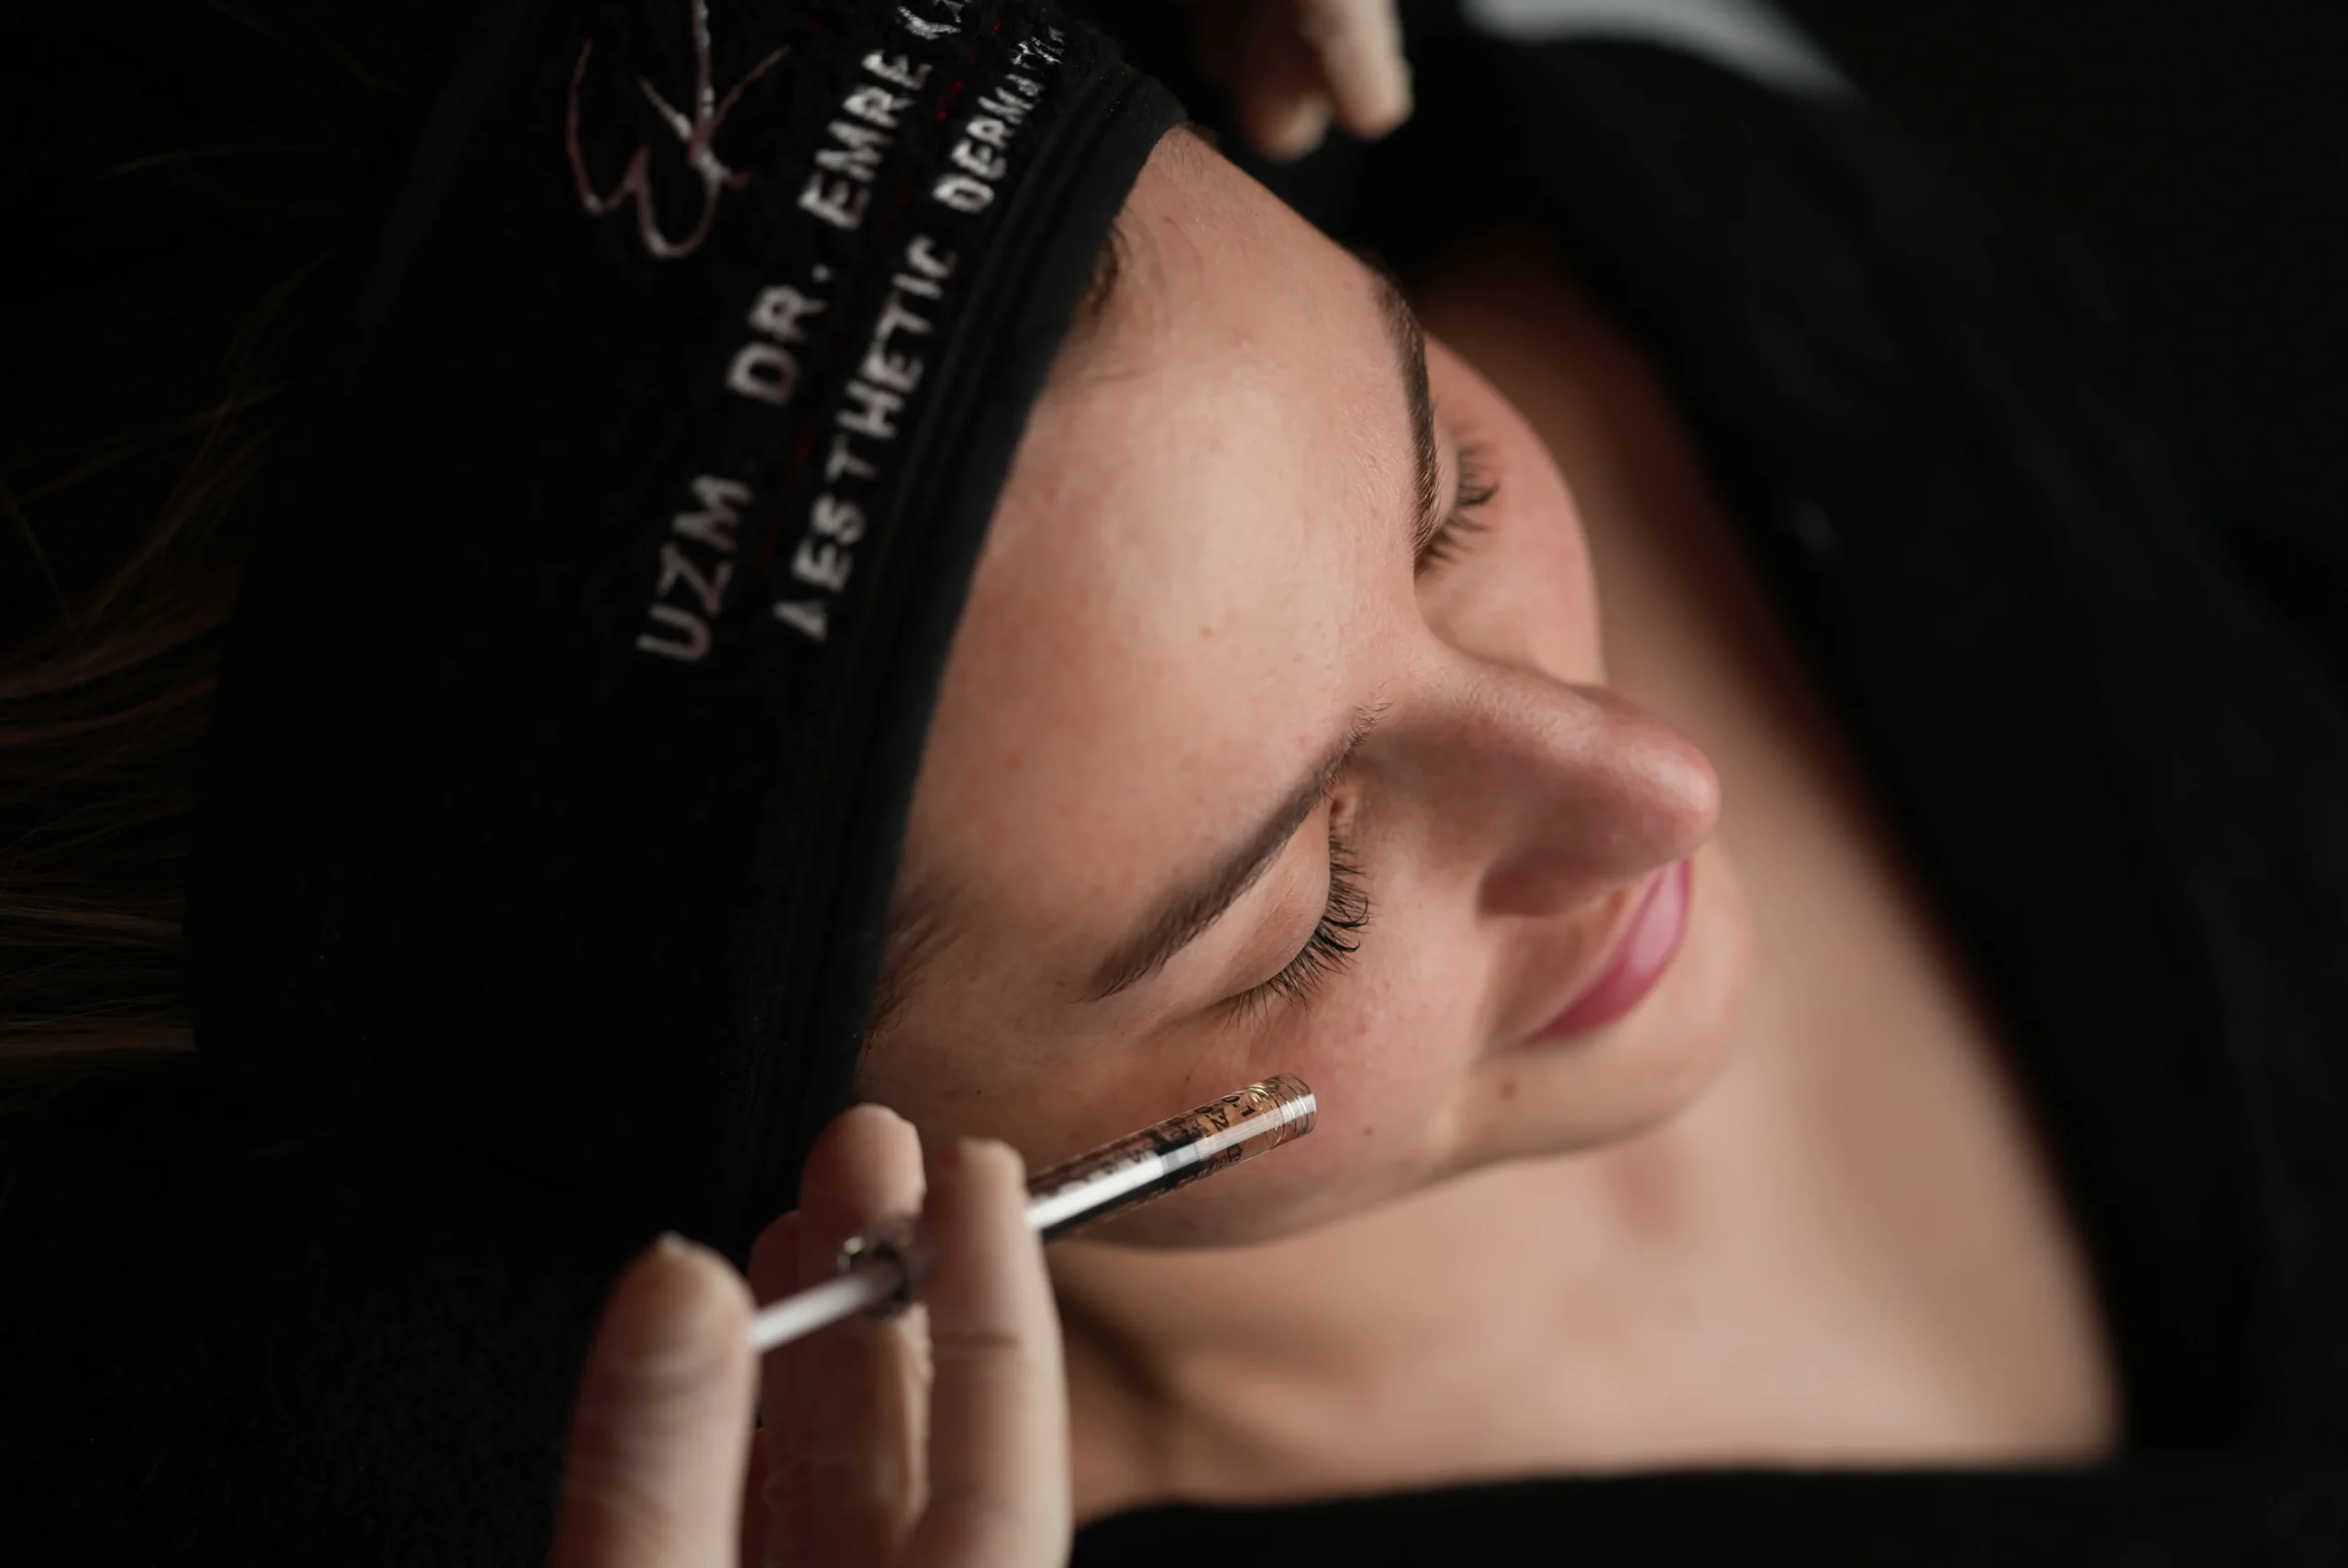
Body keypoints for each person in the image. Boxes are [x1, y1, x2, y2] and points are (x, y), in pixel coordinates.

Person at [6, 2, 2347, 1565]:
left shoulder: (1681, 252)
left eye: (1442, 491)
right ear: (824, 1181)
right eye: (1302, 907)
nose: (1646, 785)